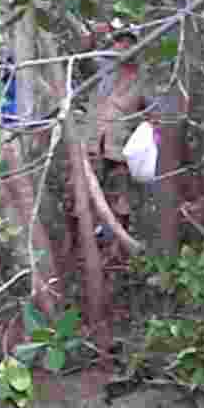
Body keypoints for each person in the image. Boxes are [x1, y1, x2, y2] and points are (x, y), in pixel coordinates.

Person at [78, 18, 151, 253]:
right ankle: (88, 243)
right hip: (93, 144)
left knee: (122, 197)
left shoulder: (143, 77)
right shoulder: (103, 67)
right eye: (119, 41)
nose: (123, 46)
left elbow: (154, 111)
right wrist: (90, 39)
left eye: (129, 42)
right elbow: (83, 63)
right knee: (86, 194)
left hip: (121, 149)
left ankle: (118, 246)